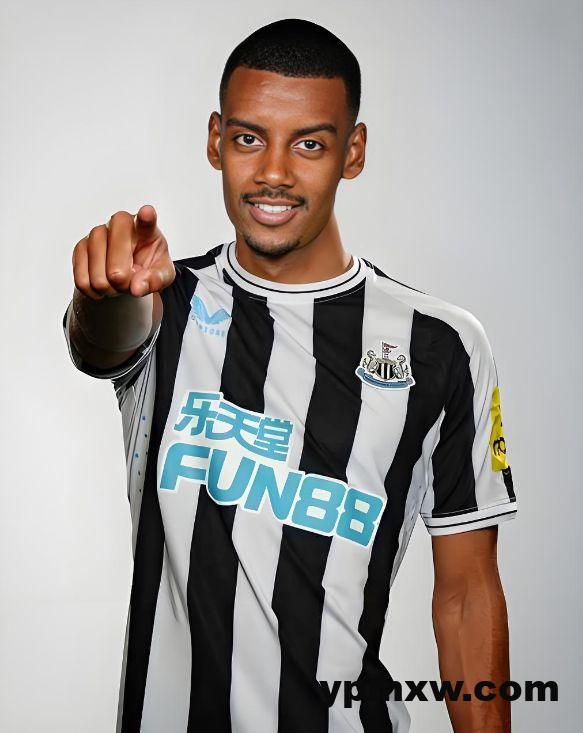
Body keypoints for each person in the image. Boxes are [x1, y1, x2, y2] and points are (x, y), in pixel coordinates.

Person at [62, 18, 518, 733]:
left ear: (352, 152)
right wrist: (104, 292)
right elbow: (99, 343)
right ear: (215, 140)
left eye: (309, 144)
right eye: (249, 139)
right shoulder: (164, 303)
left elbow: (465, 594)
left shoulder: (442, 346)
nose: (273, 172)